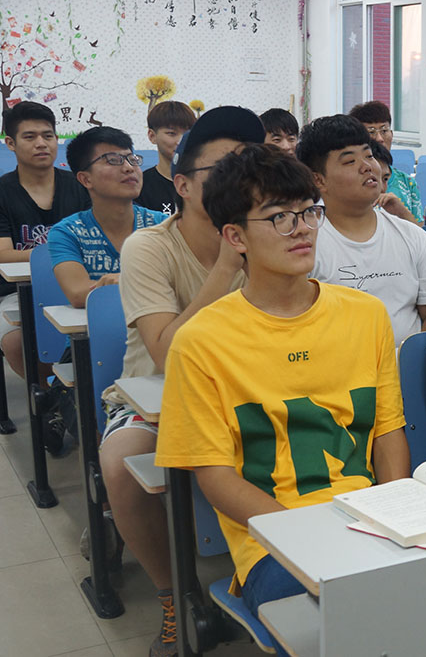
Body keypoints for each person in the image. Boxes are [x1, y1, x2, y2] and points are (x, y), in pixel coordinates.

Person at [155, 144, 410, 656]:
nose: (302, 229)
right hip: (273, 539)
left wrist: (395, 514)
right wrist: (304, 536)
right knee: (349, 628)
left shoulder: (365, 315)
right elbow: (215, 476)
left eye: (309, 212)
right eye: (279, 217)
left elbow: (387, 431)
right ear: (235, 237)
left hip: (368, 518)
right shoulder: (201, 340)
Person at [100, 106, 262, 657]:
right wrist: (227, 265)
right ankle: (174, 594)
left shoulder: (270, 233)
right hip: (157, 396)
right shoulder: (150, 246)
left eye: (249, 168)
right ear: (183, 184)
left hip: (251, 393)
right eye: (223, 170)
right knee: (121, 462)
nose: (240, 182)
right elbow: (167, 352)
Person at [297, 114, 426, 346]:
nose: (367, 167)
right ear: (319, 180)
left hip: (403, 367)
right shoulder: (305, 244)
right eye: (350, 161)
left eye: (368, 155)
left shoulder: (412, 236)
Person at [0, 101, 90, 378]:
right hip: (17, 293)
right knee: (16, 342)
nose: (41, 143)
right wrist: (64, 251)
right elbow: (3, 254)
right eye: (30, 137)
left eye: (47, 135)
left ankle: (74, 395)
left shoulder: (81, 186)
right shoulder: (2, 192)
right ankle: (51, 395)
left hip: (79, 283)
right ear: (11, 143)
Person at [49, 127, 166, 308]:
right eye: (113, 160)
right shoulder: (67, 232)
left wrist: (124, 281)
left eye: (132, 159)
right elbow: (78, 294)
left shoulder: (162, 225)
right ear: (86, 179)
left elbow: (182, 283)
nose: (129, 168)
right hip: (96, 325)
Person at [348, 100, 422, 222]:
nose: (379, 139)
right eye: (371, 132)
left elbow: (419, 231)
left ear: (391, 134)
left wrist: (401, 212)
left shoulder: (407, 182)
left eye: (384, 131)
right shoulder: (351, 182)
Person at [136, 101, 196, 215]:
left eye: (187, 134)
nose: (180, 141)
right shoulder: (140, 186)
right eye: (171, 133)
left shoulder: (203, 182)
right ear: (152, 136)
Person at [370, 139, 420, 225]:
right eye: (373, 180)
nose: (382, 188)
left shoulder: (391, 205)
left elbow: (419, 232)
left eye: (385, 179)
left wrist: (402, 213)